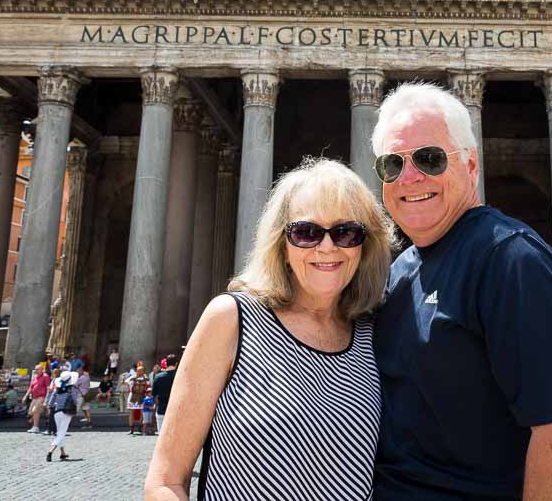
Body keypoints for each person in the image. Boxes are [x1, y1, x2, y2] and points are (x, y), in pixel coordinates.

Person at [366, 83, 552, 499]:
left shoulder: (512, 261)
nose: (410, 177)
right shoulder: (402, 269)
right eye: (392, 165)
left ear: (471, 166)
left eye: (430, 159)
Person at [145, 158, 394, 500]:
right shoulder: (231, 320)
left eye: (345, 232)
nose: (327, 247)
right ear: (282, 243)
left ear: (365, 246)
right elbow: (165, 481)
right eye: (306, 232)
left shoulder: (373, 333)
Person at [46, 370, 79, 462]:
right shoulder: (71, 388)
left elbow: (52, 398)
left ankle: (63, 453)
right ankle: (50, 451)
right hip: (66, 412)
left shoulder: (57, 389)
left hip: (57, 412)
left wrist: (49, 406)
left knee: (60, 432)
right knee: (61, 433)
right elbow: (75, 400)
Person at [151, 353, 178, 436]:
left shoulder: (158, 377)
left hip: (162, 409)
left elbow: (154, 394)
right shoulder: (180, 375)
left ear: (166, 364)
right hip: (177, 411)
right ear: (176, 363)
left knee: (162, 437)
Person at [127, 367, 148, 435]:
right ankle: (131, 429)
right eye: (139, 371)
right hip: (133, 397)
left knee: (142, 413)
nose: (140, 372)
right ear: (136, 371)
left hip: (142, 397)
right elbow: (125, 382)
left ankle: (140, 428)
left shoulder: (145, 378)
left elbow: (148, 385)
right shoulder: (132, 377)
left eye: (141, 370)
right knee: (131, 413)